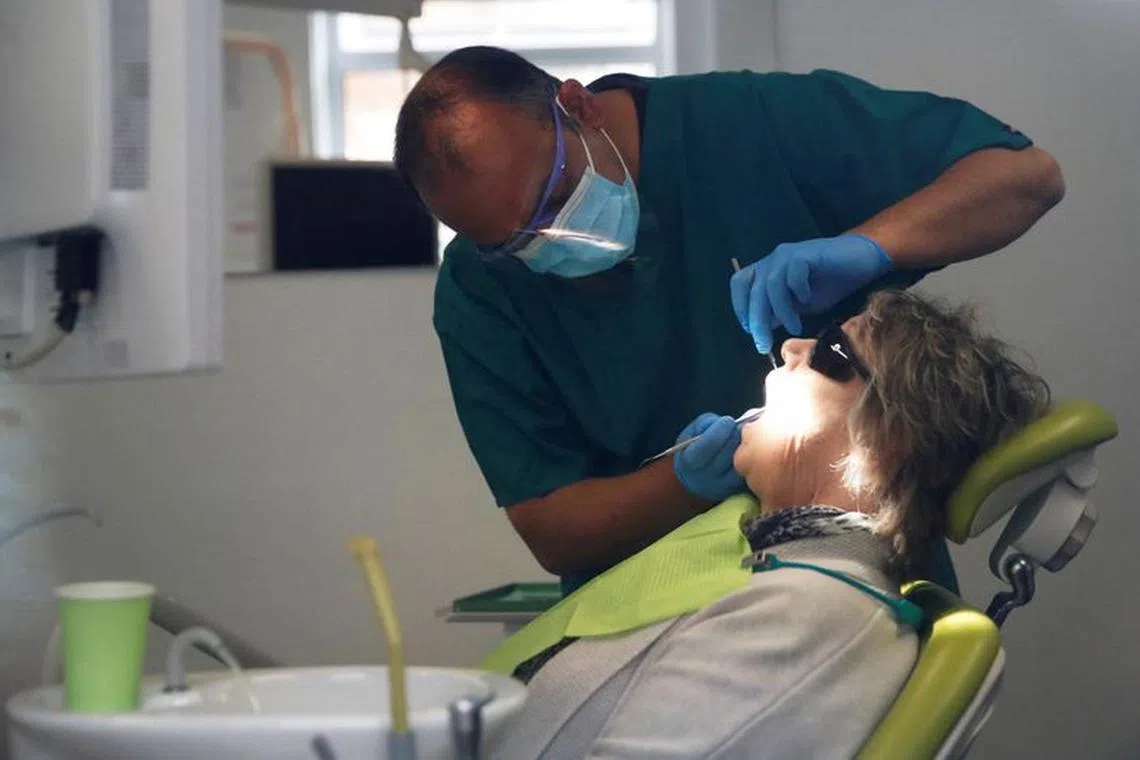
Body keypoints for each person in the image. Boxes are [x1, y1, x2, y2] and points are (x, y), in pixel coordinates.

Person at [393, 46, 1065, 594]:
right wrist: (681, 480)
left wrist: (870, 246)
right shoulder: (480, 292)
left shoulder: (744, 124)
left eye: (555, 198)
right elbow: (554, 528)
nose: (548, 241)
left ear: (579, 107)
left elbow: (1024, 176)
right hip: (649, 610)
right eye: (516, 245)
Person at [488, 289, 1051, 760]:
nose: (792, 346)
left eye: (834, 349)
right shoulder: (789, 577)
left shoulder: (809, 616)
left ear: (887, 441)